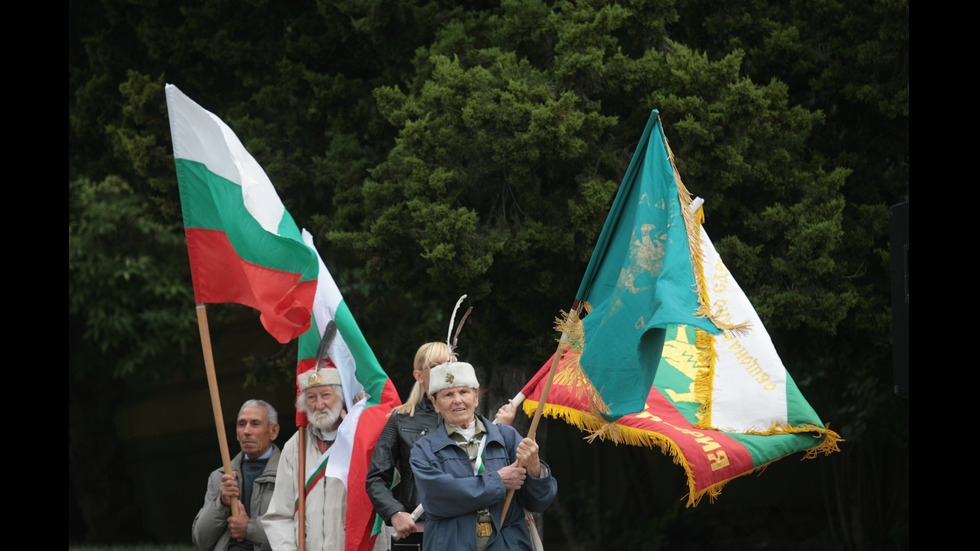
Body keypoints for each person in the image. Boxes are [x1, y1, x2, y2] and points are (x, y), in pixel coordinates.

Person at [367, 343, 518, 550]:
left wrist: (503, 431)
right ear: (419, 375)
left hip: (471, 527)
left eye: (451, 364)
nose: (447, 370)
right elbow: (376, 477)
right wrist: (394, 512)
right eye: (437, 366)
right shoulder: (401, 419)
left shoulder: (478, 422)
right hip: (417, 526)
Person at [410, 361, 557, 551]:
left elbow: (539, 501)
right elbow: (437, 497)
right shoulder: (425, 449)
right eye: (448, 394)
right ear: (435, 403)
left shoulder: (506, 436)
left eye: (464, 392)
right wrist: (498, 481)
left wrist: (535, 468)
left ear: (476, 397)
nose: (457, 400)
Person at [262, 362, 387, 551]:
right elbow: (278, 516)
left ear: (341, 396)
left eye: (326, 395)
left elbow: (392, 481)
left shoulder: (365, 436)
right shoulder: (295, 447)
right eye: (311, 397)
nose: (319, 404)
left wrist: (361, 435)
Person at [192, 399, 282, 551]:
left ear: (273, 431)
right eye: (241, 424)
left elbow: (296, 534)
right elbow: (200, 539)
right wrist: (222, 503)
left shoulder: (289, 473)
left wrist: (249, 528)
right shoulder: (220, 476)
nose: (247, 431)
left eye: (255, 423)